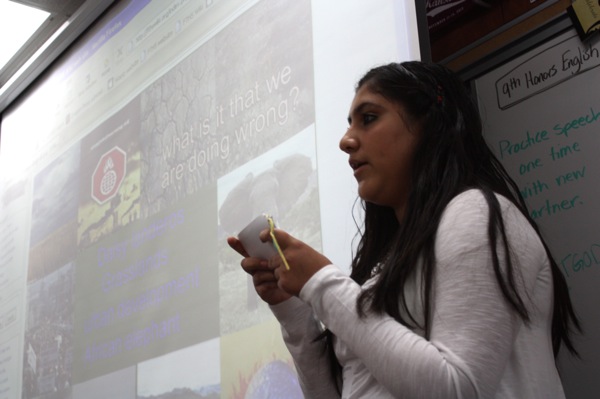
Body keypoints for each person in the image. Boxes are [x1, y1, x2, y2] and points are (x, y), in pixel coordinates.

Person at [227, 61, 580, 398]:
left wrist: (321, 282)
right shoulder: (386, 262)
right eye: (350, 124)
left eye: (368, 118)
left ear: (429, 124)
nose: (345, 140)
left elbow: (459, 390)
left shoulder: (473, 211)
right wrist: (293, 311)